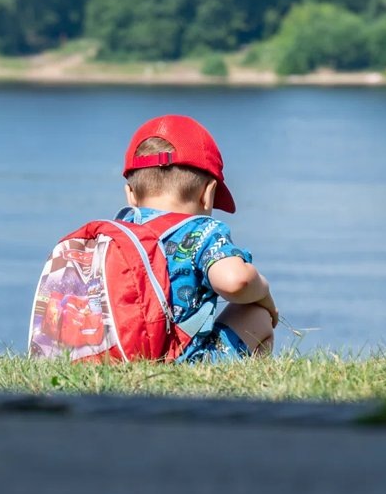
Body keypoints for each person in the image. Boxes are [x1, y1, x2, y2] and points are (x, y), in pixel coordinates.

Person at [117, 114, 276, 360]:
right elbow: (236, 281)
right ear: (208, 193)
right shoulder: (201, 231)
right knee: (257, 315)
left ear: (130, 195)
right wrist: (264, 294)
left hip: (120, 353)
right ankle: (247, 393)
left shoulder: (117, 235)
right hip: (179, 360)